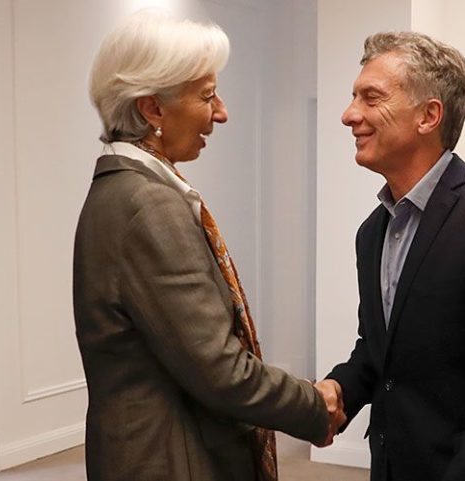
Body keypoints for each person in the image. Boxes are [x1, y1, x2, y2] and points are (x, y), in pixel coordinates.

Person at [74, 10, 344, 481]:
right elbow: (219, 369)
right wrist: (312, 404)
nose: (221, 112)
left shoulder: (124, 190)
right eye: (206, 96)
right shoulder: (147, 204)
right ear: (152, 109)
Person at [315, 32, 465, 481]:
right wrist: (335, 392)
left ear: (429, 116)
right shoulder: (372, 233)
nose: (349, 114)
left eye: (371, 97)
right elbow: (378, 352)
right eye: (353, 98)